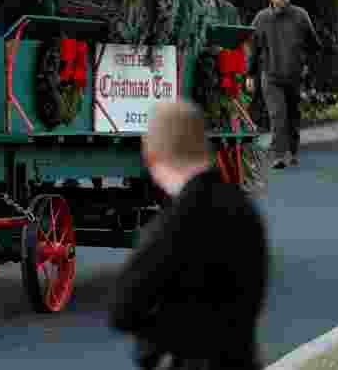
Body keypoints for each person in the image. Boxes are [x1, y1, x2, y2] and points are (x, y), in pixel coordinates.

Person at [110, 100, 268, 370]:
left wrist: (160, 337)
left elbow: (123, 307)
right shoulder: (245, 211)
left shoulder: (174, 223)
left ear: (154, 156)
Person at [246, 0, 321, 169]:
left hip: (294, 75)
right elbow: (253, 49)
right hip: (270, 76)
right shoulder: (261, 18)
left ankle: (293, 150)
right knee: (277, 115)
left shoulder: (300, 16)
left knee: (293, 115)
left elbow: (314, 45)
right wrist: (249, 74)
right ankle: (279, 156)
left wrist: (307, 66)